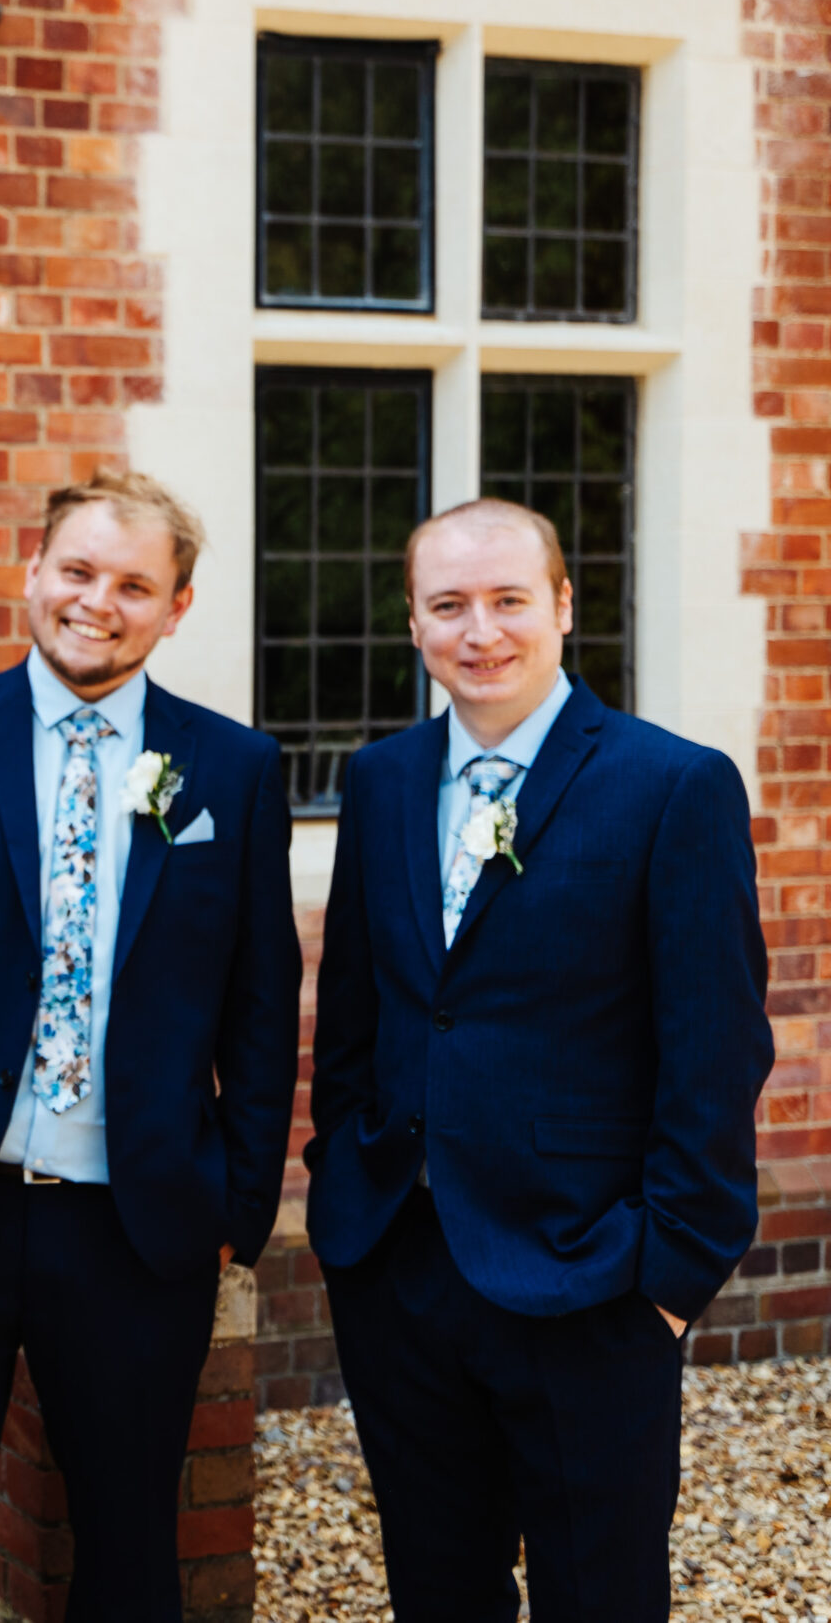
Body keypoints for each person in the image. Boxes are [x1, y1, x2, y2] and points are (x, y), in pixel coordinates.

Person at [0, 470, 301, 1622]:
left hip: (134, 1225)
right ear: (32, 573)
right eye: (76, 572)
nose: (97, 602)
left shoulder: (232, 768)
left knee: (129, 1541)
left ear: (177, 607)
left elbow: (260, 1005)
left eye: (133, 584)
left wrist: (237, 1199)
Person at [306, 498, 773, 1623]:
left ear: (564, 607)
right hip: (399, 1267)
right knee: (436, 1586)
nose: (481, 632)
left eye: (509, 600)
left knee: (597, 1594)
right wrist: (343, 1196)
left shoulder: (671, 786)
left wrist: (667, 1278)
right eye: (448, 605)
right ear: (413, 623)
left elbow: (715, 1048)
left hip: (589, 1276)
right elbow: (357, 1022)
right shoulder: (378, 781)